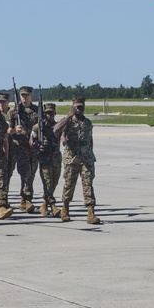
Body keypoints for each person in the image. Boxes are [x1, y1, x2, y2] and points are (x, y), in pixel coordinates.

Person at [54, 96, 101, 225]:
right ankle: (65, 209)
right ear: (72, 107)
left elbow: (90, 140)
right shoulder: (68, 121)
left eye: (81, 107)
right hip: (72, 159)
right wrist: (69, 116)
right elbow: (56, 130)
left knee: (88, 185)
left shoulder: (88, 123)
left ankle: (91, 212)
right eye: (76, 107)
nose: (79, 110)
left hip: (86, 159)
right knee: (69, 184)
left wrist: (90, 155)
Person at [9, 86, 40, 212]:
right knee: (25, 173)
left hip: (33, 147)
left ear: (31, 96)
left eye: (27, 95)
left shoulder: (37, 110)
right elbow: (8, 130)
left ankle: (24, 199)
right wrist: (14, 130)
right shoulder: (14, 111)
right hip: (20, 147)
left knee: (32, 173)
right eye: (22, 95)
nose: (24, 97)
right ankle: (27, 199)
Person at [35, 103, 61, 216]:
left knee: (54, 182)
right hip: (45, 158)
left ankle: (44, 204)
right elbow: (31, 140)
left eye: (51, 113)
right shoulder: (38, 127)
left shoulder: (58, 126)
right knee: (48, 182)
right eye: (47, 113)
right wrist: (37, 146)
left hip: (56, 157)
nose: (49, 115)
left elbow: (63, 135)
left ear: (55, 114)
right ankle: (53, 205)